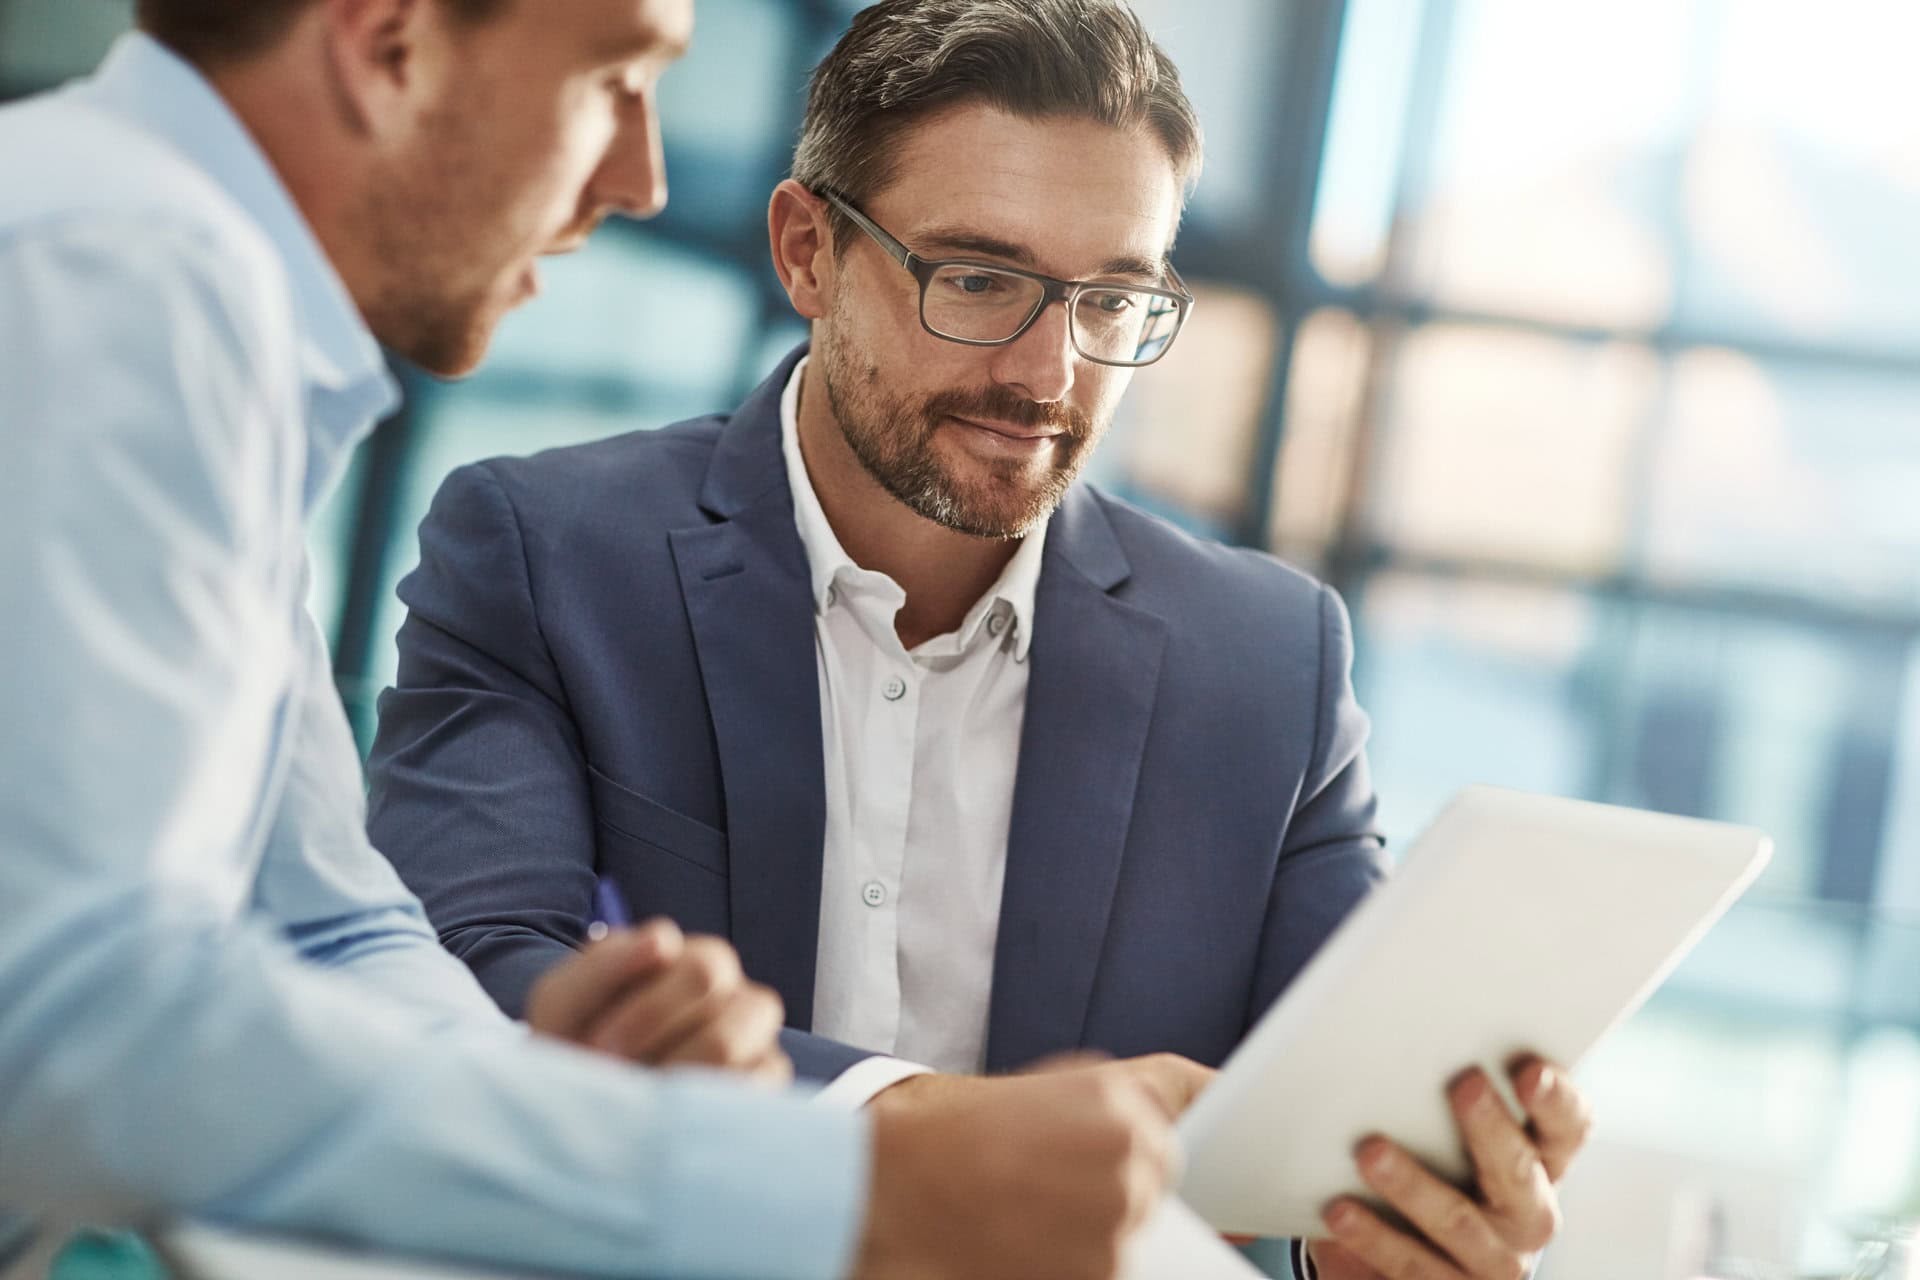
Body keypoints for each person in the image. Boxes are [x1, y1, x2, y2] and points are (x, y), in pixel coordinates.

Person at [364, 1, 1595, 1277]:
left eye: (1111, 299)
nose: (1048, 374)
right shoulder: (548, 554)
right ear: (807, 253)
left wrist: (1390, 1226)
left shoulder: (1272, 664)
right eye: (979, 280)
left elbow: (1334, 1123)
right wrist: (924, 1125)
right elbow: (456, 975)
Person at [0, 1, 1189, 1277]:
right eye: (614, 77)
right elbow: (70, 1025)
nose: (639, 177)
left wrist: (551, 1103)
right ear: (388, 42)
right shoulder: (120, 270)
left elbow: (328, 923)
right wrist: (847, 1186)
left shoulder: (176, 293)